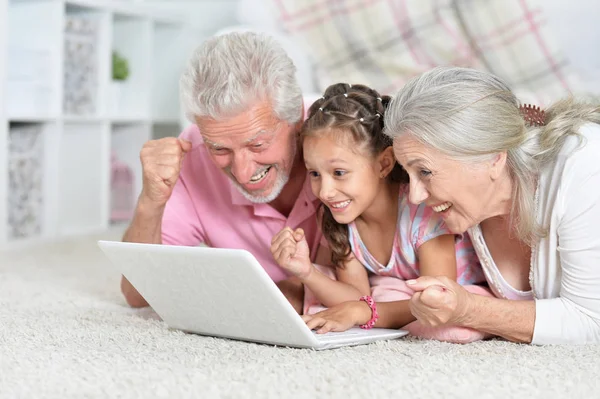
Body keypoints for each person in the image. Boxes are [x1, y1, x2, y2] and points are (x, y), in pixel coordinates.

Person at [320, 66, 600, 344]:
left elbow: (592, 321)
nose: (415, 196)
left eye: (425, 172)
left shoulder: (584, 168)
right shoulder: (471, 205)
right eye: (409, 174)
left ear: (492, 158)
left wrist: (468, 310)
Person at [119, 31, 326, 313]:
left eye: (258, 144)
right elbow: (137, 294)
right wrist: (149, 202)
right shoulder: (192, 153)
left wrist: (289, 291)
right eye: (219, 149)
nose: (242, 173)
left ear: (297, 122)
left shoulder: (341, 138)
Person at [270, 83, 491, 342]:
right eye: (315, 174)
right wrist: (305, 271)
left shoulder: (423, 212)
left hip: (454, 292)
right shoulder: (339, 217)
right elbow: (356, 296)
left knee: (447, 328)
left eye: (339, 173)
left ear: (383, 164)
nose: (325, 191)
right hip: (396, 290)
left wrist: (364, 310)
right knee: (339, 299)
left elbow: (439, 299)